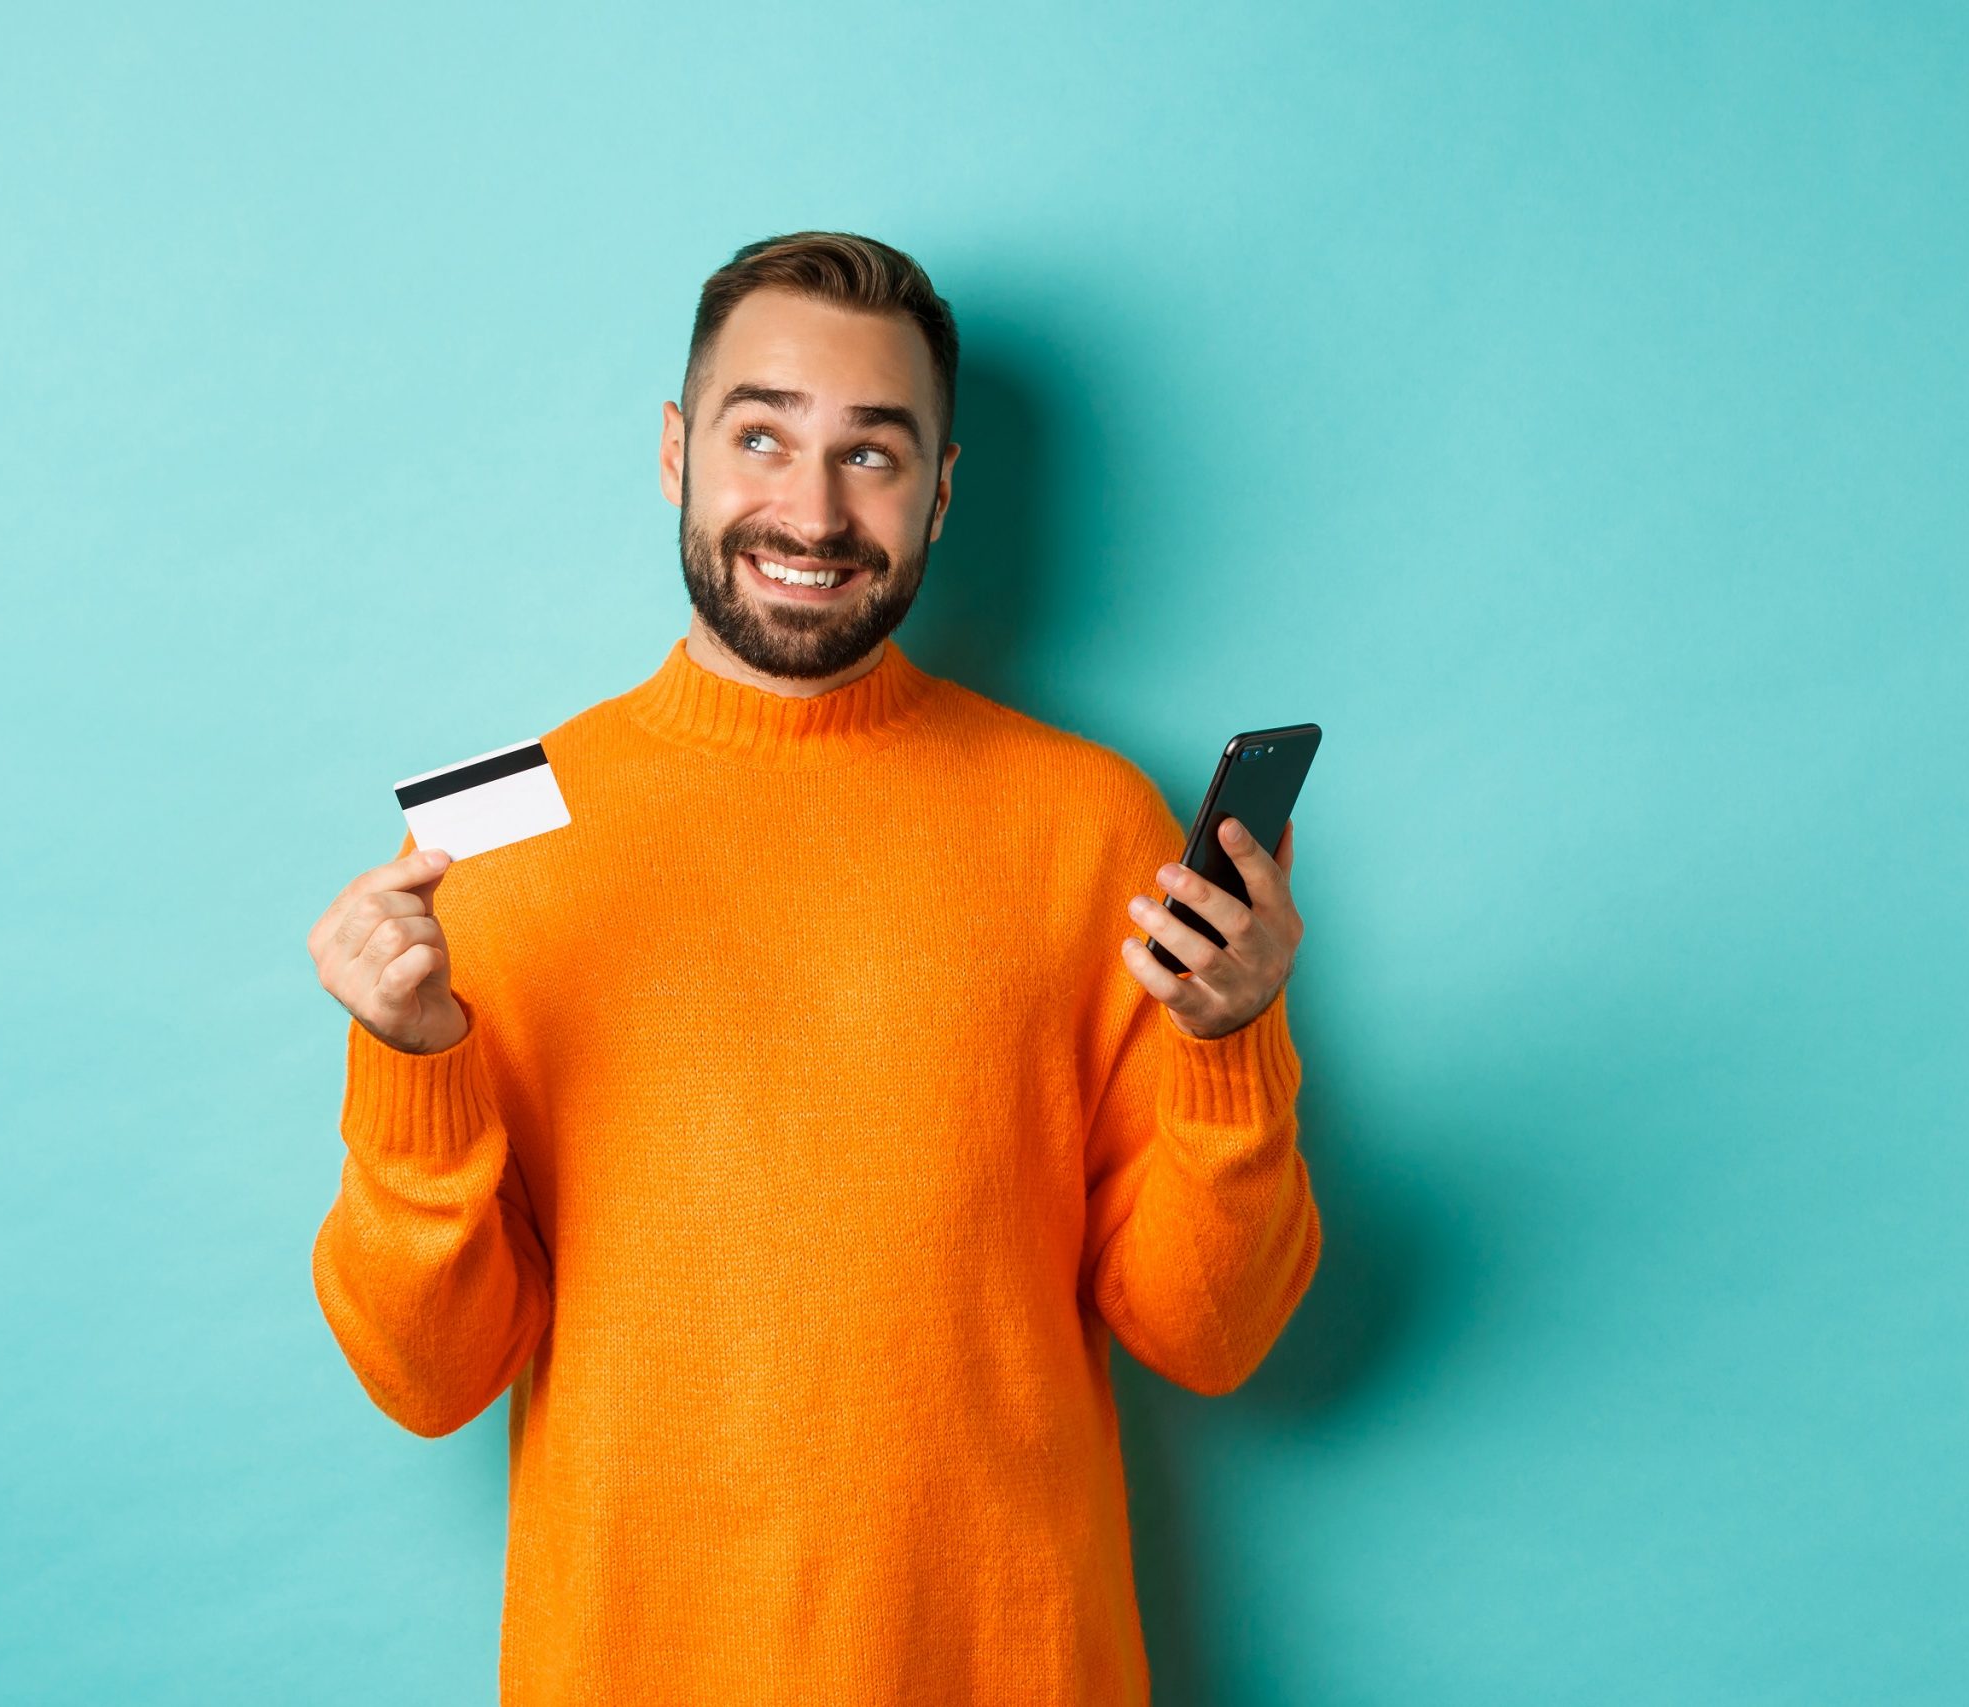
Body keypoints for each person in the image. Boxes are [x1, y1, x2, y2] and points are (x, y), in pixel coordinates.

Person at [305, 231, 1319, 1705]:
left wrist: (1233, 1046)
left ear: (941, 493)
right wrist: (409, 1067)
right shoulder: (497, 834)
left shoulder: (1089, 820)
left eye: (873, 455)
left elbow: (1209, 1339)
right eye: (762, 437)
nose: (812, 509)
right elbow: (427, 1379)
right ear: (676, 452)